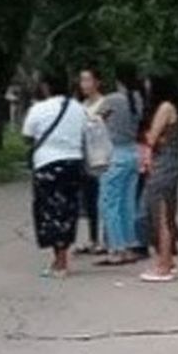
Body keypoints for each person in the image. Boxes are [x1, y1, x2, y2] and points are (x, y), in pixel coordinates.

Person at [21, 69, 89, 278]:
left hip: (47, 164)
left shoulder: (39, 109)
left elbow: (27, 136)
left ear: (45, 86)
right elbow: (85, 133)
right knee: (68, 209)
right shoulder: (78, 108)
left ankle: (60, 261)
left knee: (49, 211)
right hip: (74, 163)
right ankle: (62, 256)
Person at [96, 62, 144, 266]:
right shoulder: (138, 99)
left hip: (114, 153)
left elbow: (94, 120)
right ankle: (130, 243)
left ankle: (116, 247)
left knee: (109, 203)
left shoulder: (112, 100)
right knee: (127, 202)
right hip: (133, 152)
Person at [138, 72, 178, 283]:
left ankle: (164, 265)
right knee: (159, 214)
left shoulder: (165, 107)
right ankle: (166, 259)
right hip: (165, 166)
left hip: (163, 168)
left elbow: (151, 137)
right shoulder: (167, 108)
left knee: (161, 216)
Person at [76, 68, 106, 256]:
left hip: (101, 158)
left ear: (97, 82)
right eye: (82, 80)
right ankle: (92, 238)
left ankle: (104, 239)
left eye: (87, 80)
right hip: (84, 158)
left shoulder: (105, 104)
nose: (84, 85)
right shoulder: (81, 105)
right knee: (88, 200)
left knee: (101, 199)